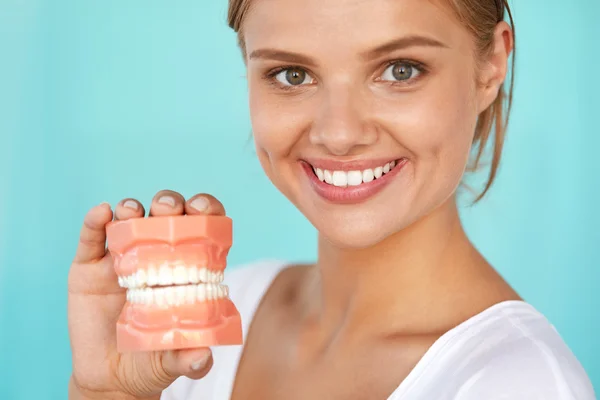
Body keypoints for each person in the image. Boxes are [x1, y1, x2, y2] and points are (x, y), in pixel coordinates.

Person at [67, 0, 596, 399]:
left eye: (400, 70)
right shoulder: (226, 318)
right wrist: (106, 393)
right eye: (291, 75)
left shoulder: (518, 384)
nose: (339, 134)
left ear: (491, 65)